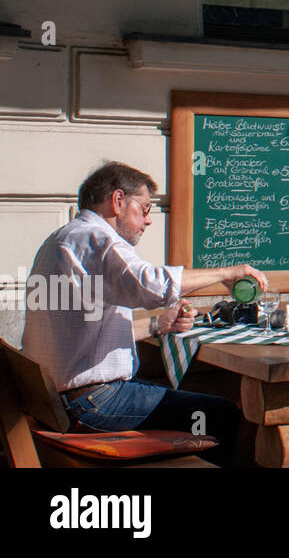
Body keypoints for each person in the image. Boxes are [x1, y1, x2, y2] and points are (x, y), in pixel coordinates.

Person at [21, 161, 268, 465]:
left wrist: (157, 325)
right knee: (221, 414)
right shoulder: (96, 238)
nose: (149, 221)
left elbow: (83, 331)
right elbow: (152, 285)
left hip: (62, 401)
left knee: (184, 394)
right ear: (118, 200)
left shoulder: (62, 239)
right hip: (94, 405)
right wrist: (228, 272)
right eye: (145, 208)